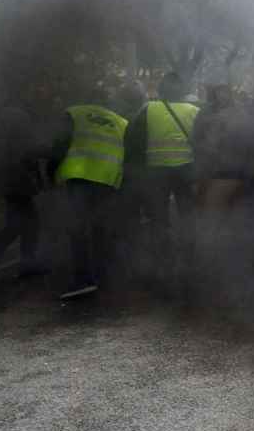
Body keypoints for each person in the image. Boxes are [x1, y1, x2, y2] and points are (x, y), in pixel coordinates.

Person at [52, 96, 129, 299]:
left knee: (77, 228)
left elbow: (60, 143)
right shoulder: (121, 122)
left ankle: (83, 279)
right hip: (108, 180)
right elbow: (128, 154)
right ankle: (105, 274)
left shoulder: (75, 113)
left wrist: (51, 171)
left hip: (79, 176)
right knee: (101, 227)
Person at [125, 72, 200, 271]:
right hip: (186, 169)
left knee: (159, 218)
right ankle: (190, 258)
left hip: (156, 171)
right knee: (188, 214)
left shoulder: (148, 109)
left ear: (162, 89)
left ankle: (163, 261)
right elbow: (204, 141)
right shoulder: (194, 110)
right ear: (183, 90)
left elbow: (133, 140)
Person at [0, 105, 51, 285]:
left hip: (15, 187)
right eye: (24, 119)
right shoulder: (18, 138)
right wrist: (51, 150)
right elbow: (31, 153)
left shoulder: (10, 137)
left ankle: (25, 265)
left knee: (25, 226)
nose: (27, 122)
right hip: (18, 187)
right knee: (17, 227)